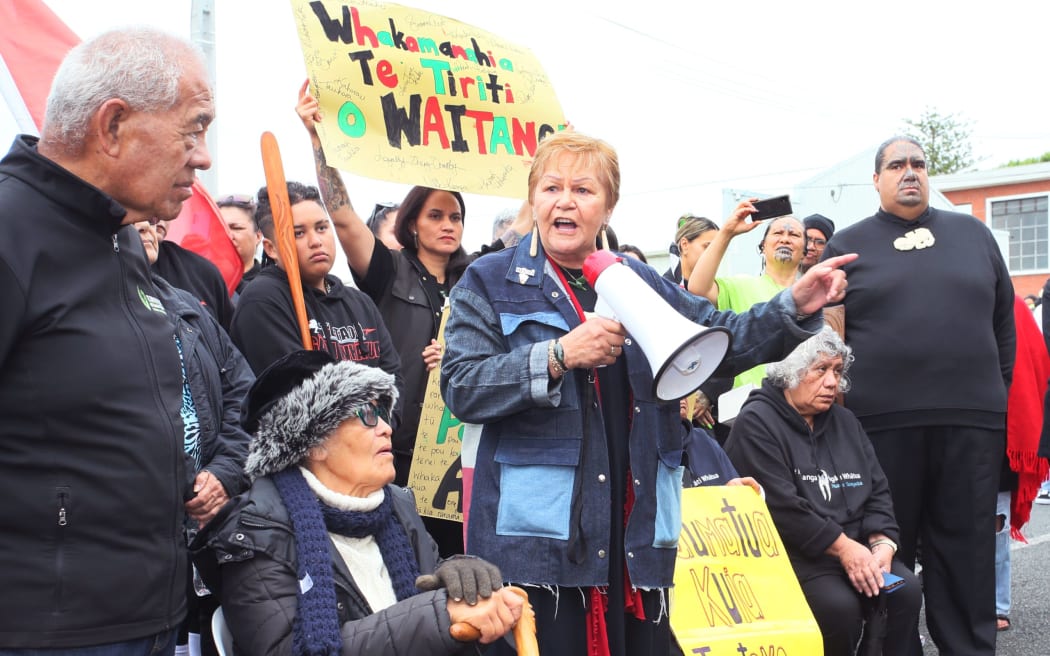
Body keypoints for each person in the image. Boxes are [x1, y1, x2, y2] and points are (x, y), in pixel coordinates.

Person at [439, 129, 854, 656]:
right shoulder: (490, 280)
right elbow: (461, 386)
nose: (564, 200)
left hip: (635, 543)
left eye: (583, 190)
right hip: (539, 549)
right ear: (533, 199)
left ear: (607, 207)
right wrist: (558, 355)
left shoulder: (634, 277)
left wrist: (792, 306)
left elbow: (719, 340)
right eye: (550, 188)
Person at [0, 27, 213, 653]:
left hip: (150, 618)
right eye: (193, 127)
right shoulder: (11, 236)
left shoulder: (120, 235)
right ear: (113, 126)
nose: (203, 156)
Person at [192, 351, 523, 655]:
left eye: (381, 412)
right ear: (311, 443)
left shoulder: (395, 506)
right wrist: (437, 612)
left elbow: (424, 594)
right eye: (366, 414)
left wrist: (455, 576)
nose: (386, 428)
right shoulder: (256, 532)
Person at [821, 136, 1015, 655]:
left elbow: (1003, 325)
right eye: (896, 165)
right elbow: (830, 335)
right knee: (889, 547)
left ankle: (969, 648)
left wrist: (993, 394)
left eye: (918, 164)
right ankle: (892, 648)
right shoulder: (847, 244)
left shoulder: (973, 235)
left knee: (967, 549)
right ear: (877, 179)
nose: (910, 172)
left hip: (971, 420)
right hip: (880, 425)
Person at [723, 328, 922, 655]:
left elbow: (878, 490)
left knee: (906, 591)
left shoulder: (845, 421)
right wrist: (844, 549)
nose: (832, 382)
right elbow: (782, 509)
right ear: (791, 371)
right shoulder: (757, 422)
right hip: (798, 555)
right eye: (821, 370)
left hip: (856, 547)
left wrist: (882, 543)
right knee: (838, 608)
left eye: (837, 371)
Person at [136, 220, 255, 656]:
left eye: (151, 217)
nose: (148, 224)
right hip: (133, 545)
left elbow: (245, 395)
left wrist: (224, 473)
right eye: (133, 213)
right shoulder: (82, 308)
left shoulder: (186, 305)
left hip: (206, 532)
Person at [229, 182, 402, 394]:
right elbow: (299, 392)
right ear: (271, 248)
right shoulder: (262, 300)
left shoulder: (360, 303)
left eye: (321, 228)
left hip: (379, 426)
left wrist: (379, 420)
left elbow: (394, 380)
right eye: (299, 233)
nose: (316, 241)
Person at [688, 203, 806, 390]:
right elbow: (697, 289)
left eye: (794, 235)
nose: (785, 239)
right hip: (752, 407)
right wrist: (727, 232)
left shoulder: (810, 298)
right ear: (762, 246)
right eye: (777, 233)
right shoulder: (740, 285)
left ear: (805, 251)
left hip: (802, 406)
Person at [995, 295, 1050, 632]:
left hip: (1000, 429)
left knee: (996, 524)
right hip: (957, 422)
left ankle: (996, 603)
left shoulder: (1011, 304)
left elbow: (1036, 362)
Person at [154, 218, 236, 332]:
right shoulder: (121, 272)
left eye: (167, 201)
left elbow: (227, 343)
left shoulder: (204, 272)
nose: (158, 217)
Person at [217, 193, 263, 294]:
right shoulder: (202, 281)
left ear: (258, 236)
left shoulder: (270, 286)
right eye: (220, 228)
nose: (228, 235)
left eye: (236, 228)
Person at [662, 214, 719, 285]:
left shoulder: (714, 289)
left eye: (716, 250)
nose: (714, 256)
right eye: (707, 247)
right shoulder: (664, 289)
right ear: (684, 245)